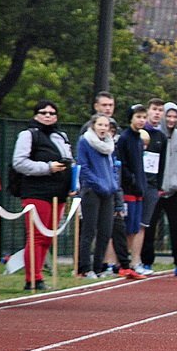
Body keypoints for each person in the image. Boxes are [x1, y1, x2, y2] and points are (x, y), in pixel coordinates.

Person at [12, 100, 74, 290]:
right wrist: (47, 167)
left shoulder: (60, 136)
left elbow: (70, 160)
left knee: (48, 237)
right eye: (43, 112)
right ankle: (33, 278)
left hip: (59, 193)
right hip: (36, 192)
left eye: (52, 113)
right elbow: (19, 162)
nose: (48, 116)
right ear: (35, 115)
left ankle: (38, 274)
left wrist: (72, 182)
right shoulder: (28, 135)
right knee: (37, 236)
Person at [141, 102, 177, 277]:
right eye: (168, 116)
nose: (171, 120)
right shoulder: (151, 135)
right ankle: (146, 261)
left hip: (173, 190)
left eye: (174, 117)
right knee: (149, 228)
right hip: (154, 190)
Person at [76, 114, 119, 279]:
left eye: (106, 125)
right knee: (89, 230)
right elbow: (83, 167)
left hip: (108, 191)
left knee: (106, 231)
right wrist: (98, 183)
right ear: (93, 126)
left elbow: (113, 165)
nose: (103, 128)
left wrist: (113, 184)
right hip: (92, 191)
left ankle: (99, 266)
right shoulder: (85, 142)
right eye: (100, 125)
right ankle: (85, 267)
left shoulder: (110, 144)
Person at [133, 99, 167, 276]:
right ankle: (116, 262)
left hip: (152, 187)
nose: (157, 113)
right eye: (154, 109)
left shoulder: (161, 137)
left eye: (160, 110)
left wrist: (159, 186)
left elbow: (162, 164)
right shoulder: (136, 134)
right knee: (128, 224)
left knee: (143, 225)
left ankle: (137, 260)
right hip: (134, 185)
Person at [115, 105, 149, 280]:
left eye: (144, 117)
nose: (141, 120)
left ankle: (128, 262)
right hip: (128, 190)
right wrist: (132, 181)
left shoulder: (139, 139)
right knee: (127, 228)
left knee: (135, 227)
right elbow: (122, 164)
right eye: (138, 117)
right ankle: (121, 262)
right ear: (131, 118)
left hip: (138, 190)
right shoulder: (125, 139)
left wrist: (141, 184)